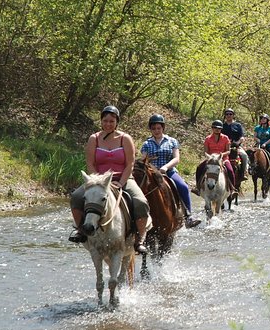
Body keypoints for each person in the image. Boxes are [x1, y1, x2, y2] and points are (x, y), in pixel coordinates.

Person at [69, 105, 150, 254]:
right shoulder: (94, 139)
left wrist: (121, 182)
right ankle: (80, 230)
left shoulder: (125, 139)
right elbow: (90, 163)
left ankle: (140, 239)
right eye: (105, 120)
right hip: (98, 180)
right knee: (76, 197)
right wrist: (98, 182)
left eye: (111, 121)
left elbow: (130, 163)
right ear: (101, 121)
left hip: (123, 178)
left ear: (117, 122)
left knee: (141, 201)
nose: (108, 124)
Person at [140, 114, 201, 228]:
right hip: (152, 174)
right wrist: (152, 168)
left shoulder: (172, 141)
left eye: (159, 128)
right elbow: (144, 160)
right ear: (150, 129)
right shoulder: (146, 144)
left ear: (163, 128)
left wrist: (166, 167)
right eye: (154, 128)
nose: (156, 131)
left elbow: (176, 158)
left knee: (183, 186)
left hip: (169, 171)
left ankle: (188, 216)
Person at [194, 120, 236, 194]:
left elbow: (228, 151)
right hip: (211, 159)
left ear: (221, 129)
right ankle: (198, 187)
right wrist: (209, 156)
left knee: (230, 170)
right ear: (212, 128)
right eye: (215, 128)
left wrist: (222, 154)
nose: (217, 130)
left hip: (222, 159)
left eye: (219, 128)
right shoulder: (208, 139)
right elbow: (206, 152)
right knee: (199, 168)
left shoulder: (225, 138)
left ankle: (232, 189)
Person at [221, 108, 249, 179]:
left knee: (244, 155)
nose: (228, 115)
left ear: (233, 115)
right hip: (224, 147)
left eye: (230, 114)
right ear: (225, 116)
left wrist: (237, 143)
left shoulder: (238, 125)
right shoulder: (222, 126)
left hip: (236, 146)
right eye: (227, 114)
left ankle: (244, 173)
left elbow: (242, 137)